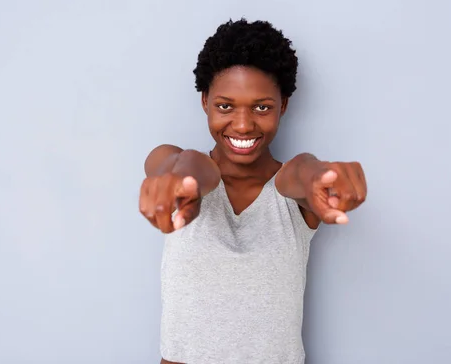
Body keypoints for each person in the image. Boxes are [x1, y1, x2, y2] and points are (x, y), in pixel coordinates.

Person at [139, 18, 367, 364]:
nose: (243, 125)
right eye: (225, 106)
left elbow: (302, 171)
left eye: (262, 107)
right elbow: (186, 164)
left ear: (283, 105)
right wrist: (182, 177)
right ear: (205, 101)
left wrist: (322, 175)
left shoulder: (294, 191)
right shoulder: (180, 172)